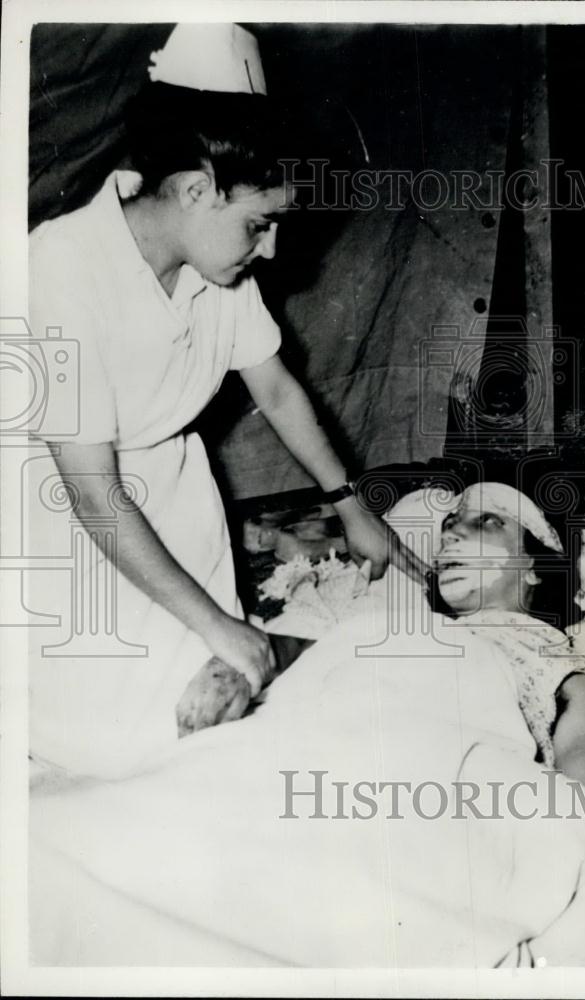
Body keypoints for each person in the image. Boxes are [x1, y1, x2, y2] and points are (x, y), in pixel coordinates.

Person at [27, 24, 425, 777]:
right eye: (258, 224)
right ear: (194, 190)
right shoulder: (61, 266)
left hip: (178, 504)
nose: (269, 249)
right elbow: (92, 494)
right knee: (115, 753)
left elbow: (275, 387)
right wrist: (213, 623)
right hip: (70, 522)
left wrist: (351, 508)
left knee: (218, 716)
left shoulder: (219, 270)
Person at [431, 482, 585, 810]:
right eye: (450, 523)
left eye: (488, 521)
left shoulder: (570, 678)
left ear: (534, 567)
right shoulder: (411, 636)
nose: (449, 535)